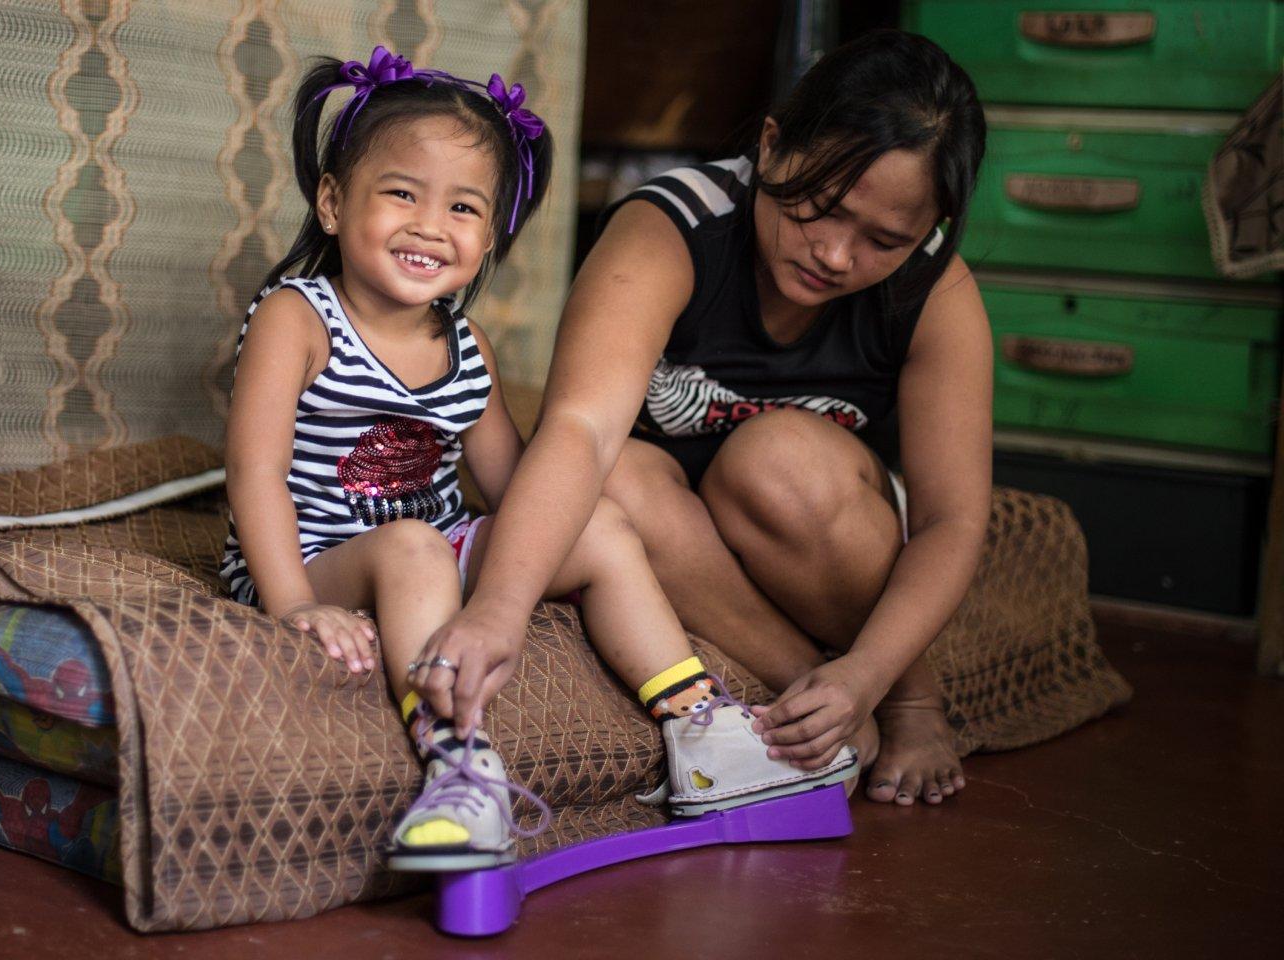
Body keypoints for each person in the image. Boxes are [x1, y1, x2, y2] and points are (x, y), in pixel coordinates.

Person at [219, 47, 858, 873]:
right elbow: (254, 474)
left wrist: (568, 542)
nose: (428, 224)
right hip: (313, 560)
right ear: (335, 203)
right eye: (401, 194)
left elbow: (513, 486)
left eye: (462, 208)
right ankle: (459, 769)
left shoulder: (466, 345)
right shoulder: (295, 317)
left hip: (430, 555)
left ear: (488, 240)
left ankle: (702, 733)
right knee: (414, 543)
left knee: (588, 521)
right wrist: (293, 605)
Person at [415, 30, 993, 808]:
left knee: (776, 460)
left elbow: (953, 519)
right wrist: (497, 610)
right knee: (608, 477)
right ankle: (808, 692)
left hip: (816, 524)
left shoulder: (933, 289)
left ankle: (904, 698)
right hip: (680, 530)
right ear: (772, 145)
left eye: (884, 239)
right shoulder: (672, 230)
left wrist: (880, 674)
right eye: (820, 206)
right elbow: (580, 433)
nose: (835, 253)